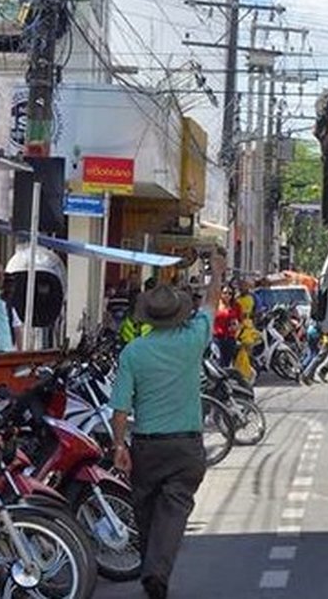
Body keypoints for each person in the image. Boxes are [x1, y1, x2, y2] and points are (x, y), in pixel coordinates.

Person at [110, 250, 225, 599]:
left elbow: (120, 408)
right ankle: (156, 573)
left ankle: (153, 571)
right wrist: (215, 272)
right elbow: (212, 300)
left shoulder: (133, 351)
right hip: (186, 446)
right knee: (173, 510)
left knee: (145, 511)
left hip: (147, 446)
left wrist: (118, 446)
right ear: (179, 314)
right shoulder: (193, 340)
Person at [213, 287, 241, 369]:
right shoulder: (216, 305)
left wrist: (236, 327)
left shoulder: (236, 306)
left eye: (230, 293)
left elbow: (240, 320)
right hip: (217, 338)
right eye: (225, 293)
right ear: (221, 294)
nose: (227, 295)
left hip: (230, 338)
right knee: (218, 361)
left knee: (227, 363)